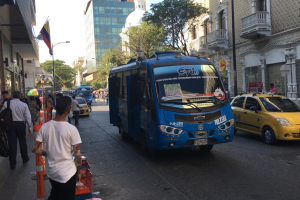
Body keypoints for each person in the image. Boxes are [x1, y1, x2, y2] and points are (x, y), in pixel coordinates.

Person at [31, 96, 82, 200]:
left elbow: (34, 149)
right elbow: (77, 154)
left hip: (52, 172)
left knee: (56, 193)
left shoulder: (45, 127)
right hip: (68, 172)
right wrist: (79, 171)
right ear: (68, 111)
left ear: (54, 107)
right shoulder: (71, 129)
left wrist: (46, 153)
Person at [0, 91, 32, 169]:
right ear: (20, 96)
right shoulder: (24, 105)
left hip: (10, 125)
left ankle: (13, 163)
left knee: (12, 144)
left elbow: (2, 113)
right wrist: (30, 126)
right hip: (21, 124)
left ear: (12, 96)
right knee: (22, 142)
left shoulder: (6, 104)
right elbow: (28, 116)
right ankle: (25, 158)